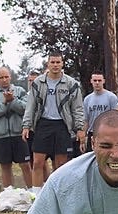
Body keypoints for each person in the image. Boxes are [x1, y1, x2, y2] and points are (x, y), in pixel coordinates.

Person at [22, 51, 85, 195]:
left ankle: (59, 194)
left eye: (58, 62)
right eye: (53, 62)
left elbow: (78, 108)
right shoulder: (38, 82)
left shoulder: (71, 84)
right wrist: (26, 125)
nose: (55, 65)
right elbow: (30, 106)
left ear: (62, 64)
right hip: (43, 124)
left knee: (61, 164)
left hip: (62, 125)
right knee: (38, 162)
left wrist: (80, 128)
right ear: (48, 64)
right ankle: (36, 196)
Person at [0, 67, 32, 189]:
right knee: (5, 167)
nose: (4, 79)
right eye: (1, 77)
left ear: (10, 77)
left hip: (18, 134)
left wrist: (12, 100)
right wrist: (4, 104)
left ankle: (33, 192)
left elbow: (26, 109)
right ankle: (9, 194)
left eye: (6, 77)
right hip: (0, 136)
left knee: (25, 165)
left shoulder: (20, 91)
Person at [84, 70, 118, 151]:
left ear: (103, 81)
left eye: (99, 80)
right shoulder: (87, 99)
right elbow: (86, 120)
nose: (97, 83)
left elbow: (116, 118)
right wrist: (84, 136)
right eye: (95, 80)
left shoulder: (111, 97)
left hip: (107, 133)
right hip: (93, 133)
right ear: (91, 81)